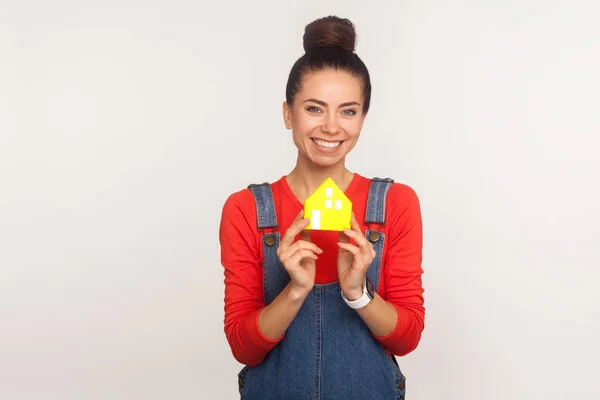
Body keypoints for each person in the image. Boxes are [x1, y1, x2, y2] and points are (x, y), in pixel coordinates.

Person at [219, 15, 425, 400]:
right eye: (315, 109)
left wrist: (357, 292)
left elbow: (407, 337)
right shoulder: (246, 209)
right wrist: (295, 290)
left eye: (348, 111)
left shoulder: (396, 203)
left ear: (363, 118)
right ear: (287, 113)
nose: (332, 127)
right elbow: (243, 348)